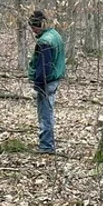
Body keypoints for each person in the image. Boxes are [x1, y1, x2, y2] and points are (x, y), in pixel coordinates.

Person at [27, 9, 66, 154]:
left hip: (47, 82)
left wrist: (37, 86)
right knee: (47, 112)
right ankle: (47, 143)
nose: (33, 31)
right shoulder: (54, 34)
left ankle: (46, 146)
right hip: (54, 80)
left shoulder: (45, 42)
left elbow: (44, 68)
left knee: (45, 114)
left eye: (33, 28)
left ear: (36, 26)